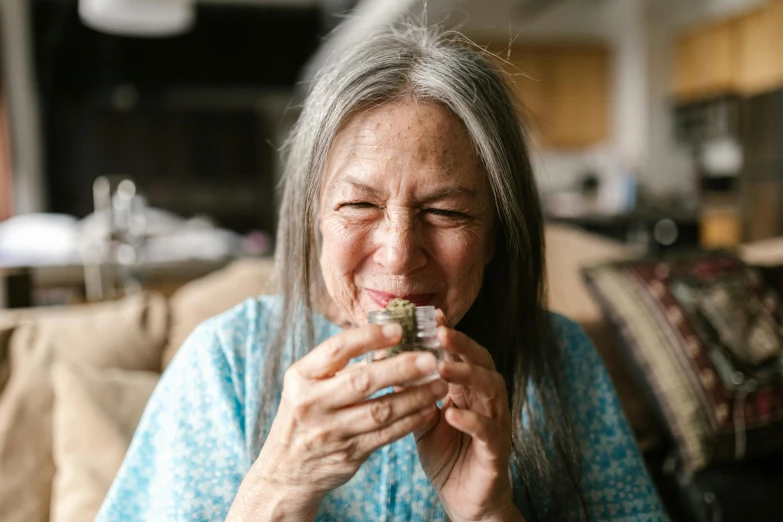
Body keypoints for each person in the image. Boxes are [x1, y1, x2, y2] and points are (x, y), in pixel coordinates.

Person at [97, 22, 667, 522]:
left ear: (495, 233)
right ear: (313, 215)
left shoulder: (560, 363)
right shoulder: (226, 362)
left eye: (445, 212)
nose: (398, 255)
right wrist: (277, 487)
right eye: (359, 205)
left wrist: (491, 512)